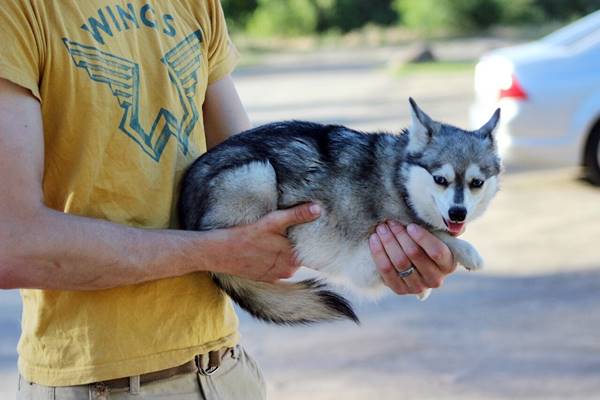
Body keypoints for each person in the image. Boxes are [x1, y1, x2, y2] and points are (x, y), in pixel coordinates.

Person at [0, 1, 458, 399]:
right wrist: (215, 251)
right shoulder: (17, 10)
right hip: (101, 384)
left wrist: (389, 242)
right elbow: (12, 245)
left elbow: (265, 178)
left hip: (223, 372)